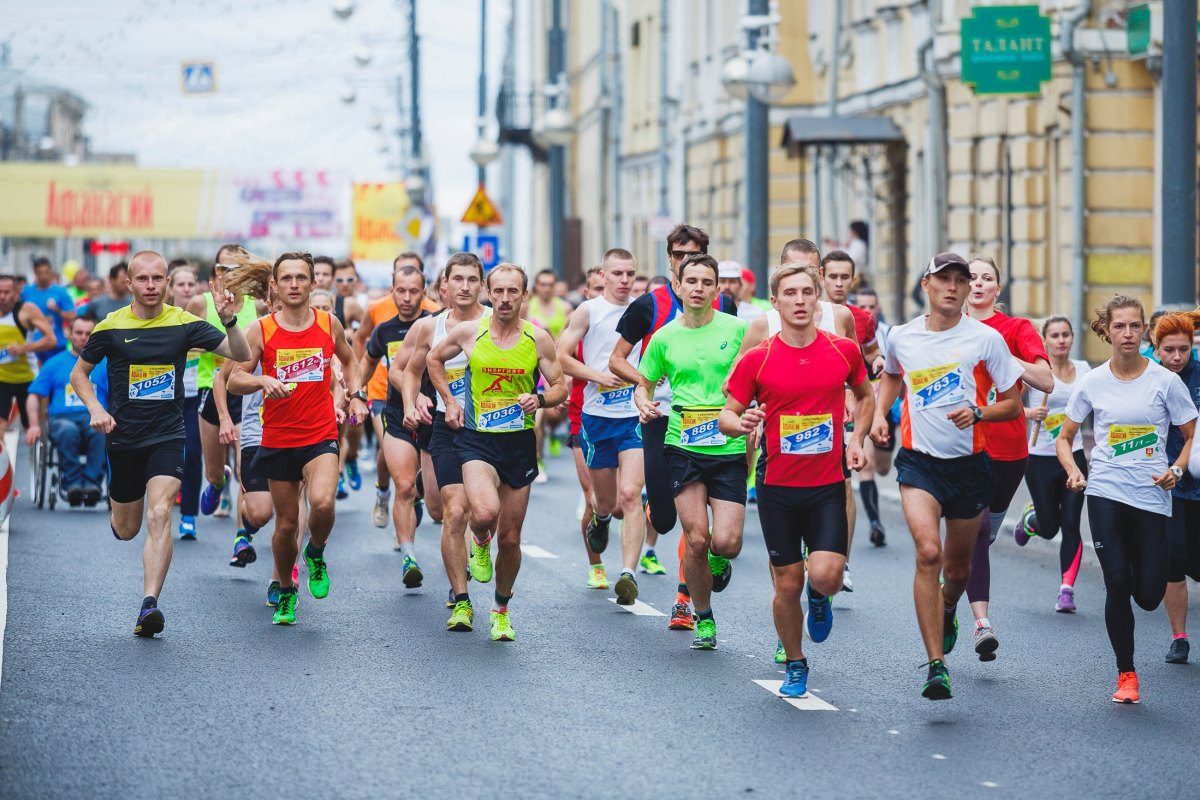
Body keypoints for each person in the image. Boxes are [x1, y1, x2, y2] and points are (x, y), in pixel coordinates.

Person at [869, 252, 1024, 700]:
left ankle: (950, 605)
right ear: (927, 285)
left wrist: (979, 412)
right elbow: (893, 378)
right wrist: (881, 414)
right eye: (945, 280)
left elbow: (1012, 403)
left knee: (957, 571)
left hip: (971, 468)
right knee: (927, 551)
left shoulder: (985, 339)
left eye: (961, 280)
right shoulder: (902, 337)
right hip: (919, 463)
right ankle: (936, 665)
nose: (954, 287)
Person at [70, 251, 249, 637]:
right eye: (143, 280)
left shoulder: (183, 322)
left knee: (161, 512)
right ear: (129, 283)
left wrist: (229, 320)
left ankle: (149, 604)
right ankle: (116, 510)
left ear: (167, 282)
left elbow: (241, 353)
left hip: (167, 435)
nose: (151, 287)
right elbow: (79, 374)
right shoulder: (111, 325)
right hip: (123, 437)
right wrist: (95, 409)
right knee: (127, 527)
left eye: (158, 279)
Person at [720, 262, 874, 696]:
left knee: (824, 576)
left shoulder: (842, 349)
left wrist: (856, 438)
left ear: (818, 297)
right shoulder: (758, 358)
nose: (800, 301)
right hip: (777, 487)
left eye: (808, 292)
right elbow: (726, 416)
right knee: (787, 584)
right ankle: (795, 662)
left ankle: (821, 596)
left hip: (827, 483)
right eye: (791, 293)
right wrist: (744, 420)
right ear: (776, 301)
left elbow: (865, 395)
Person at [1057, 296, 1196, 704]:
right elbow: (1064, 438)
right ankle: (1127, 673)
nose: (1129, 334)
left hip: (1152, 497)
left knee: (1150, 595)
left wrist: (1177, 470)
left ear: (1145, 332)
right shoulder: (1092, 382)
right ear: (1108, 331)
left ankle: (1136, 567)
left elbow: (1191, 434)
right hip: (1105, 493)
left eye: (1135, 326)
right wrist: (1074, 471)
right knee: (1116, 582)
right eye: (1120, 326)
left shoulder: (1164, 381)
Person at [427, 263, 567, 642]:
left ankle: (501, 608)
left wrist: (538, 398)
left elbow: (560, 387)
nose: (505, 299)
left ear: (524, 296)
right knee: (484, 513)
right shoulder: (471, 331)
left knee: (512, 538)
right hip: (477, 440)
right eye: (499, 291)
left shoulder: (537, 338)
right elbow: (433, 359)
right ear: (489, 293)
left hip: (519, 444)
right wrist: (449, 401)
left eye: (513, 292)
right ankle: (480, 541)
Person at [226, 252, 367, 626]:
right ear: (274, 285)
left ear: (313, 283)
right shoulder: (262, 329)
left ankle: (316, 553)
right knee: (286, 525)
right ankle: (287, 592)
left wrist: (356, 395)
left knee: (322, 503)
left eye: (300, 278)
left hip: (320, 433)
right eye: (286, 278)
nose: (293, 284)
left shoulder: (328, 323)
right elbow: (233, 380)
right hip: (278, 436)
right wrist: (261, 380)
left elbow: (350, 361)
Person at [609, 224, 738, 631]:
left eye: (695, 256)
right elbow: (618, 360)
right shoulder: (650, 307)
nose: (688, 266)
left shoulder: (729, 314)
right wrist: (644, 389)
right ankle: (654, 512)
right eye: (681, 257)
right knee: (664, 518)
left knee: (699, 533)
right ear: (672, 266)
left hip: (716, 428)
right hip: (661, 420)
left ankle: (686, 600)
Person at [633, 254, 748, 650]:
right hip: (682, 444)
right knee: (696, 538)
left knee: (727, 542)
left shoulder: (737, 330)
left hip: (728, 445)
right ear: (678, 287)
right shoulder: (664, 338)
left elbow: (757, 377)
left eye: (707, 281)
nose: (699, 288)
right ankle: (704, 617)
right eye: (691, 281)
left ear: (718, 289)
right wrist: (643, 402)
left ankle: (718, 562)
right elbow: (643, 383)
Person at [962, 254, 1053, 662]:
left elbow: (1046, 379)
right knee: (977, 530)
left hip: (1010, 452)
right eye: (971, 278)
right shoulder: (947, 329)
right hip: (963, 447)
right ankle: (982, 623)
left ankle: (952, 590)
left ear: (997, 289)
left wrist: (1004, 355)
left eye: (986, 279)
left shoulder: (1016, 329)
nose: (978, 284)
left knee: (984, 531)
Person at [396, 253, 488, 629]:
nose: (465, 287)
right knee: (445, 510)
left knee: (478, 513)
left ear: (481, 285)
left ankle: (478, 548)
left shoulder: (496, 324)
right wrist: (412, 399)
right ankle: (460, 592)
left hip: (489, 430)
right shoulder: (428, 327)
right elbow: (408, 371)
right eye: (458, 279)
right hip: (443, 427)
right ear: (445, 284)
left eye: (472, 280)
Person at [557, 249, 648, 603]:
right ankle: (602, 520)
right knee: (603, 501)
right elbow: (562, 356)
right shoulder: (589, 310)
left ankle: (628, 573)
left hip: (633, 415)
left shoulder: (644, 310)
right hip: (597, 417)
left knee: (631, 495)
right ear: (604, 275)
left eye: (630, 273)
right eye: (618, 274)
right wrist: (596, 375)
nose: (625, 280)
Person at [360, 265, 431, 586]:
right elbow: (368, 361)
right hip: (397, 414)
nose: (406, 297)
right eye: (400, 290)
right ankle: (408, 557)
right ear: (392, 289)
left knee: (437, 503)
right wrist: (356, 394)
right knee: (405, 486)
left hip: (436, 417)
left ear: (424, 291)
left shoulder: (436, 324)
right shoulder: (384, 330)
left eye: (413, 291)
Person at [1014, 316, 1091, 613]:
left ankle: (1066, 589)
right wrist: (1029, 412)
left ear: (1072, 338)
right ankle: (1032, 519)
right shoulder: (1037, 374)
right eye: (1054, 335)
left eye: (1065, 334)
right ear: (1045, 341)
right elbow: (1007, 402)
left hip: (1073, 456)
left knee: (1071, 523)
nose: (1060, 340)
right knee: (1049, 528)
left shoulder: (1084, 371)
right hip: (1040, 457)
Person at [188, 246, 267, 529]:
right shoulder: (201, 303)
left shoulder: (257, 306)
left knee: (245, 469)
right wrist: (225, 345)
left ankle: (242, 536)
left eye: (237, 269)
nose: (229, 275)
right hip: (211, 387)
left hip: (244, 389)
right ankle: (217, 483)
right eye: (224, 269)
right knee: (214, 473)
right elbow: (186, 340)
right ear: (215, 271)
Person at [1148, 311, 1200, 664]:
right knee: (1172, 561)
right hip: (1165, 486)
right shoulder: (1146, 377)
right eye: (1170, 350)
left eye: (1185, 349)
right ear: (1157, 348)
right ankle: (1179, 638)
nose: (1178, 357)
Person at [25, 313, 107, 504]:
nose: (83, 337)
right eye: (78, 332)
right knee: (67, 430)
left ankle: (92, 483)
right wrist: (35, 425)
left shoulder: (105, 364)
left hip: (95, 417)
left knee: (100, 431)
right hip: (63, 419)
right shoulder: (54, 364)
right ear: (69, 334)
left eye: (89, 333)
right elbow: (34, 395)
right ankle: (72, 484)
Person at [563, 267, 610, 586]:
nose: (601, 295)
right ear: (586, 292)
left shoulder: (625, 324)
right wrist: (564, 385)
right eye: (596, 289)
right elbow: (559, 362)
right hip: (584, 416)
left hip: (623, 417)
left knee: (621, 502)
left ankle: (607, 521)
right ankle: (596, 565)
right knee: (592, 493)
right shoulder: (579, 324)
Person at [852, 286, 893, 545]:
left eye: (871, 306)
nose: (867, 311)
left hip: (888, 408)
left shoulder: (888, 334)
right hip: (863, 405)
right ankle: (875, 523)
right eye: (863, 306)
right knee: (866, 467)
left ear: (877, 308)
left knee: (883, 467)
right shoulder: (849, 326)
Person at [524, 268, 573, 482]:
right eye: (541, 284)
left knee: (551, 413)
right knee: (535, 421)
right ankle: (537, 455)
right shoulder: (530, 306)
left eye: (549, 284)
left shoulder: (565, 308)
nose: (545, 288)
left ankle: (551, 432)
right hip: (526, 366)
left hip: (548, 361)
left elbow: (560, 340)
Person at [167, 264, 204, 538]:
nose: (187, 289)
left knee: (192, 454)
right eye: (181, 284)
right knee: (165, 456)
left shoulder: (201, 318)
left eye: (191, 284)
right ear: (171, 287)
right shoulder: (164, 317)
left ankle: (189, 515)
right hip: (163, 400)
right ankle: (161, 508)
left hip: (193, 396)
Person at [0, 274, 57, 440]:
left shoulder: (27, 310)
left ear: (17, 293)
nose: (2, 296)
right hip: (2, 378)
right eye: (0, 292)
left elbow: (51, 339)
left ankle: (34, 463)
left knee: (31, 432)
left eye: (7, 292)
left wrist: (24, 348)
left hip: (27, 378)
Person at [23, 256, 74, 361]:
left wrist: (57, 310)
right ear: (35, 273)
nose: (43, 276)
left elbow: (72, 315)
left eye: (46, 272)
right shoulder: (26, 292)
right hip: (33, 346)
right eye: (39, 273)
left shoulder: (60, 292)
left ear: (51, 272)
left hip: (56, 345)